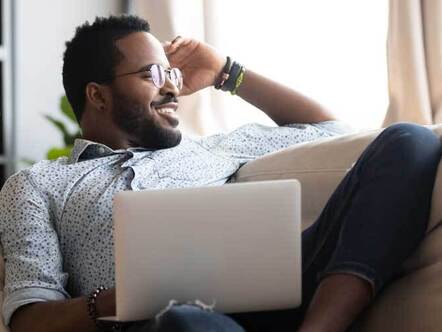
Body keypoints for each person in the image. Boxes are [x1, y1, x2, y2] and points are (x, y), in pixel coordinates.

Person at [0, 15, 440, 332]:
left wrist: (227, 73)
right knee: (183, 321)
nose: (172, 85)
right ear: (97, 95)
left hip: (279, 290)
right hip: (173, 321)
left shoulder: (214, 147)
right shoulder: (37, 185)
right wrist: (127, 297)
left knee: (411, 141)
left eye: (172, 72)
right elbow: (28, 317)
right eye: (154, 74)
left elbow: (330, 129)